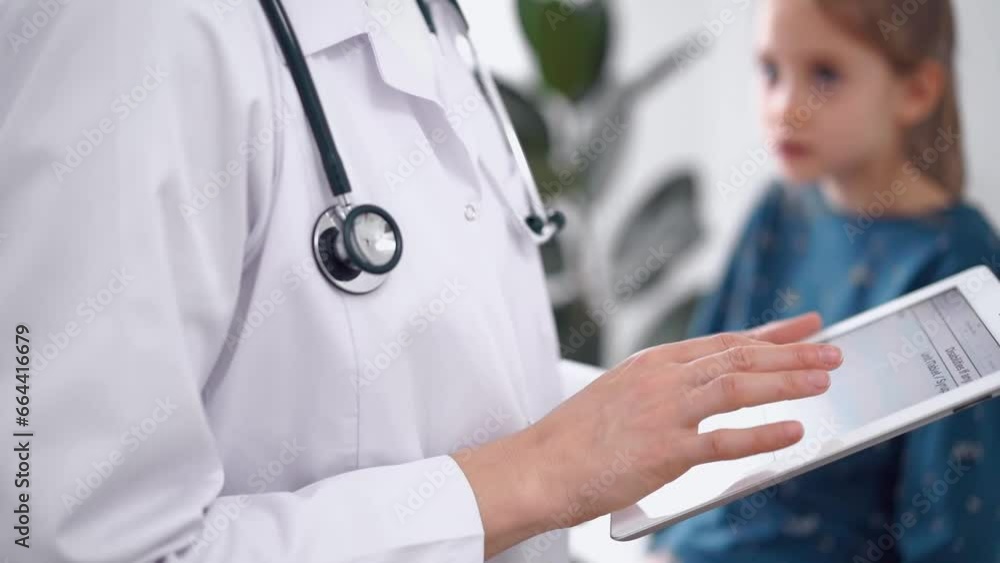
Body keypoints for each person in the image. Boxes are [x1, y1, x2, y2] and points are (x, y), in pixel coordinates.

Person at [0, 1, 846, 562]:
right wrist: (534, 474)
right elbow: (72, 540)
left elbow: (434, 373)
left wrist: (662, 412)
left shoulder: (430, 19)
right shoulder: (134, 31)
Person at [649, 0, 1000, 561]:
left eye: (825, 75)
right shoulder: (778, 211)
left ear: (915, 92)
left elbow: (955, 519)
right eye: (770, 70)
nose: (785, 107)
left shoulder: (956, 255)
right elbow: (694, 392)